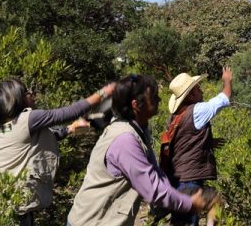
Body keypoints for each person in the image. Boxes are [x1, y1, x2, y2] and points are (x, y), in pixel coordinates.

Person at [0, 78, 116, 225]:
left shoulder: (4, 127)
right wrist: (105, 92)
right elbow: (71, 112)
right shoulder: (28, 119)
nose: (33, 95)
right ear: (18, 98)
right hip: (3, 214)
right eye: (28, 93)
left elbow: (44, 137)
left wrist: (70, 129)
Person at [67, 75, 207, 226]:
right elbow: (152, 188)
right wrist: (189, 203)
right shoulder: (125, 139)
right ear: (136, 104)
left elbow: (154, 173)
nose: (159, 100)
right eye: (153, 97)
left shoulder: (137, 128)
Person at [166, 66, 232, 226]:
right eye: (197, 87)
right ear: (190, 94)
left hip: (177, 179)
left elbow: (184, 141)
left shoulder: (175, 117)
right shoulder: (197, 111)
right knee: (207, 207)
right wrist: (227, 80)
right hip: (189, 180)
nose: (200, 89)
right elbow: (224, 98)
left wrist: (207, 142)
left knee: (186, 219)